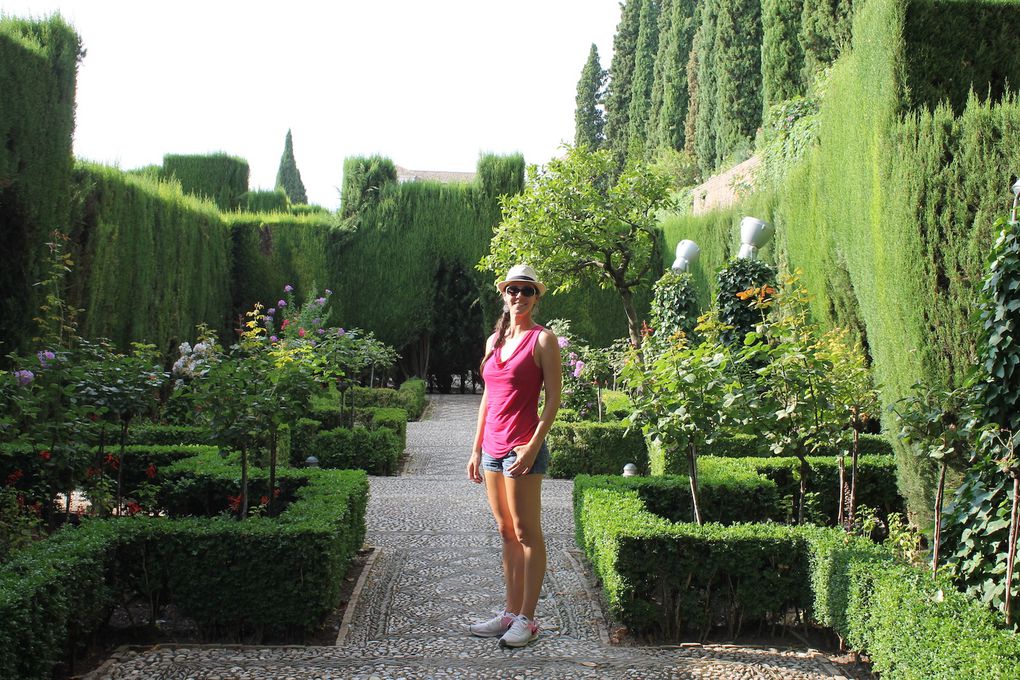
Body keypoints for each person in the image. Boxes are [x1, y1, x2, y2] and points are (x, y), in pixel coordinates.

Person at [466, 264, 562, 648]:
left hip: (522, 448)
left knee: (526, 532)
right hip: (491, 448)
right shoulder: (494, 342)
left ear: (536, 297)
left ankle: (527, 618)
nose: (518, 296)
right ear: (503, 295)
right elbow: (488, 397)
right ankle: (508, 612)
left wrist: (535, 444)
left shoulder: (543, 340)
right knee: (505, 532)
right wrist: (475, 448)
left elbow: (553, 398)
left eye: (526, 290)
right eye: (512, 290)